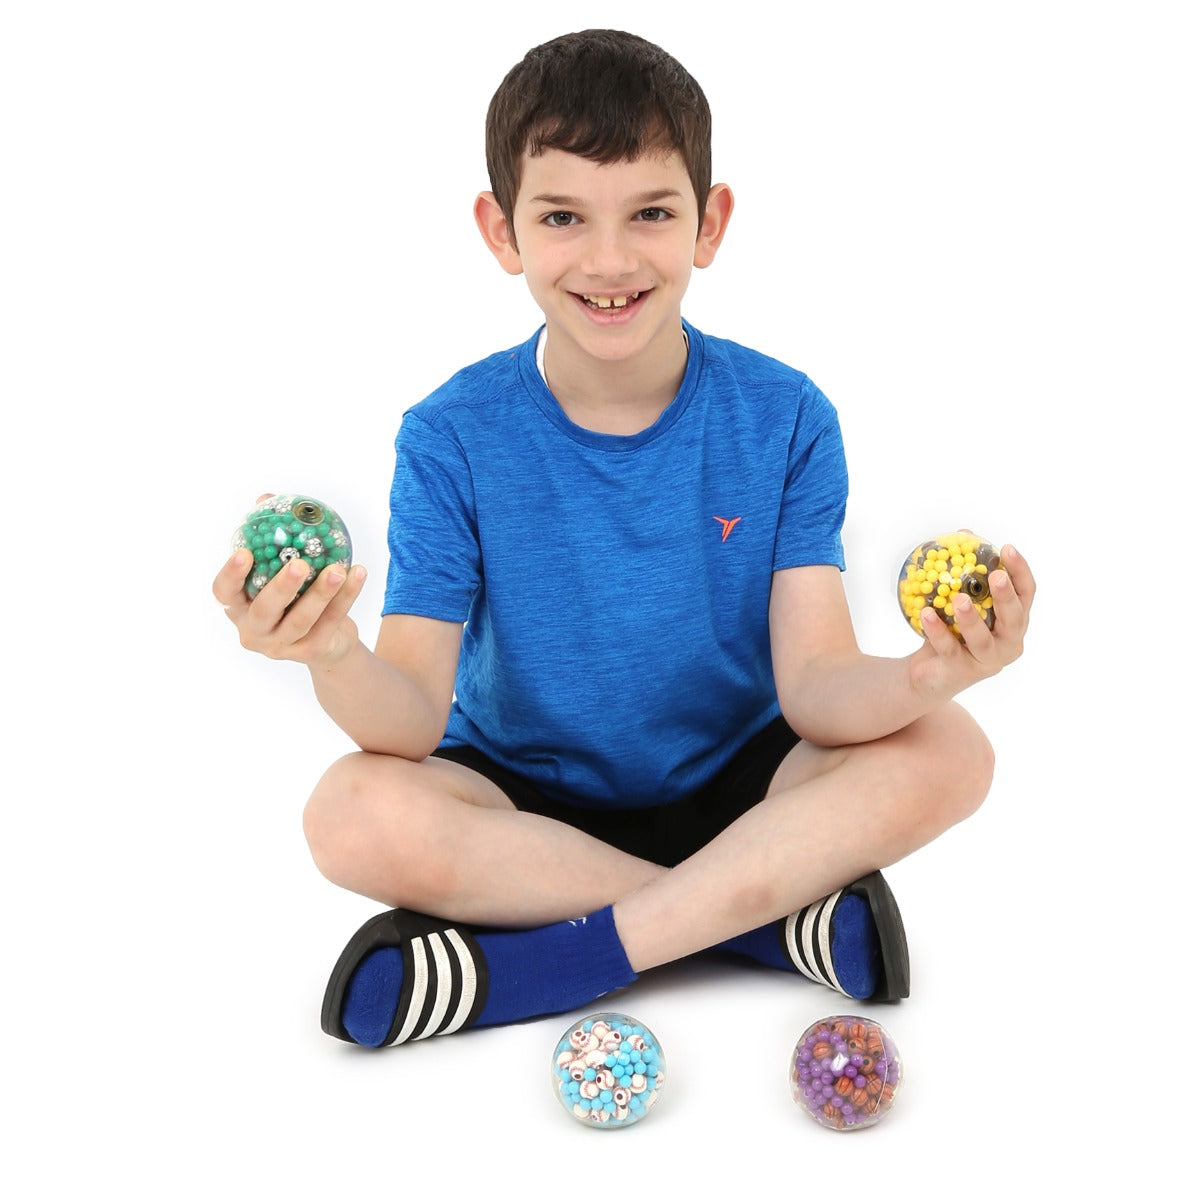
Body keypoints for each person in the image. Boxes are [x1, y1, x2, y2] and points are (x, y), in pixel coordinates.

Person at [213, 29, 1034, 1050]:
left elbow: (815, 684)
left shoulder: (784, 415)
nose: (609, 260)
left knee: (951, 748)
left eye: (651, 212)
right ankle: (767, 933)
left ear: (710, 221)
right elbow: (413, 722)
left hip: (744, 790)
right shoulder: (449, 436)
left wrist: (926, 674)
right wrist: (330, 651)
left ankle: (535, 967)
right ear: (501, 230)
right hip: (527, 809)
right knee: (348, 813)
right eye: (562, 217)